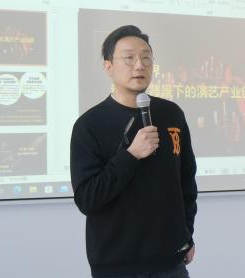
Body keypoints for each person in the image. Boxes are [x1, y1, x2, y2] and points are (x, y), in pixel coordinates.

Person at [70, 25, 198, 278]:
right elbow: (87, 199)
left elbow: (186, 182)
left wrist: (187, 234)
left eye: (146, 58)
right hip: (117, 266)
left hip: (170, 263)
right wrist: (131, 155)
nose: (139, 65)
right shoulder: (90, 125)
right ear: (108, 66)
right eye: (129, 58)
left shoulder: (171, 114)